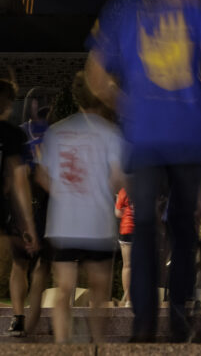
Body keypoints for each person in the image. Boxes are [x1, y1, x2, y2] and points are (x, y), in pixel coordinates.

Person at [86, 0, 201, 343]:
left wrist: (129, 105)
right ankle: (181, 315)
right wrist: (198, 107)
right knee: (184, 229)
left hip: (143, 139)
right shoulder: (198, 8)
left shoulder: (122, 6)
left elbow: (96, 77)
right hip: (186, 137)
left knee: (145, 228)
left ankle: (143, 322)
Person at [36, 71, 125, 344]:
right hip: (97, 224)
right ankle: (97, 345)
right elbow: (118, 177)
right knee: (99, 293)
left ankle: (62, 346)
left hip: (64, 223)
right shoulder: (111, 133)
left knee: (64, 290)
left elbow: (42, 175)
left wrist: (67, 193)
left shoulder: (57, 131)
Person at [0, 78, 40, 338]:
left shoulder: (14, 134)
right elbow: (19, 180)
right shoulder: (13, 135)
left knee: (18, 262)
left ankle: (17, 317)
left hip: (5, 211)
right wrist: (28, 222)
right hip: (5, 210)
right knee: (18, 263)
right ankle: (17, 317)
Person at [115, 188, 134, 307]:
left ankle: (128, 300)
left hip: (126, 230)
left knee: (127, 266)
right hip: (142, 231)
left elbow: (117, 213)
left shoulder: (124, 191)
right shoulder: (146, 186)